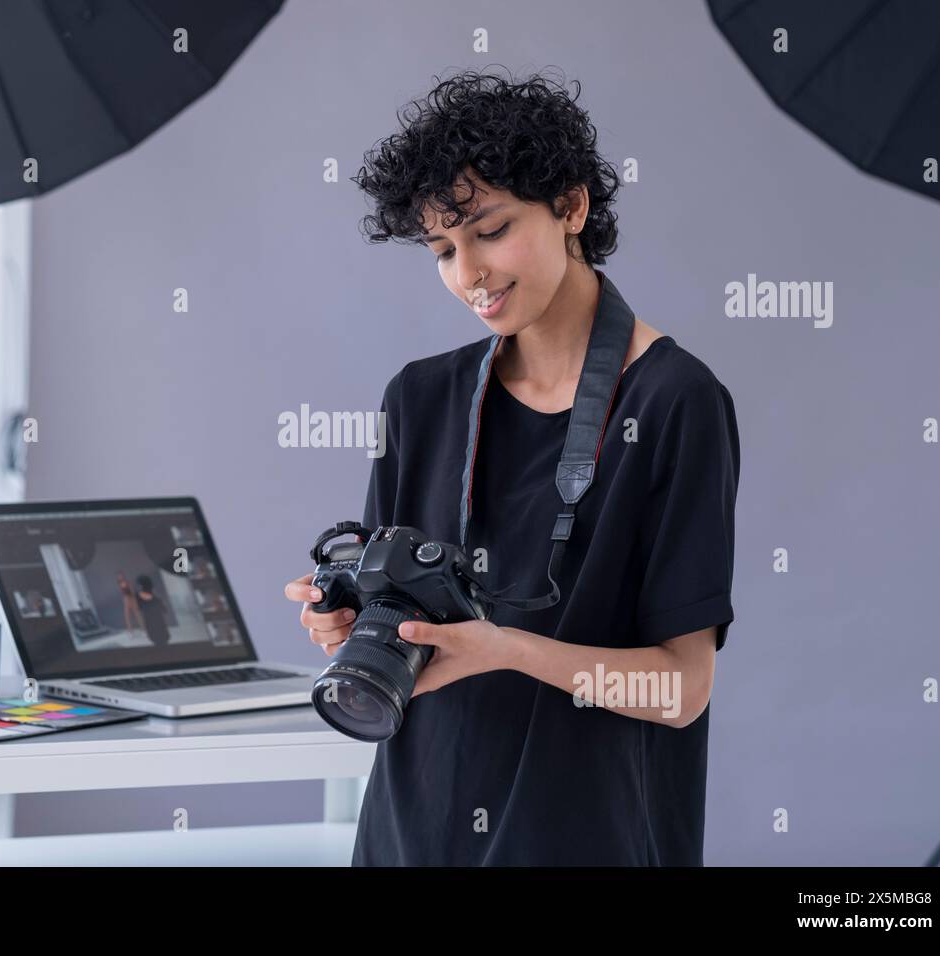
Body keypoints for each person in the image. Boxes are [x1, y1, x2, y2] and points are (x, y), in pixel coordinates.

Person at [283, 70, 740, 866]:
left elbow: (678, 691)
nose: (469, 275)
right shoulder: (419, 399)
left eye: (490, 231)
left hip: (594, 841)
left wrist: (504, 648)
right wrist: (349, 623)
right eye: (443, 250)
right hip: (412, 836)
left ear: (572, 206)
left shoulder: (676, 401)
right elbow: (403, 634)